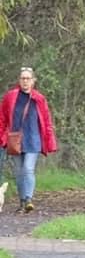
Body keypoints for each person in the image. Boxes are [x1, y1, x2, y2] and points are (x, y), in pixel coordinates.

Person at [0, 66, 58, 213]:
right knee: (19, 172)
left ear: (33, 81)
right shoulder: (10, 97)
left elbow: (46, 120)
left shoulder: (39, 98)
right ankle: (22, 202)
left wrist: (49, 140)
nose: (25, 81)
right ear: (19, 80)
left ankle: (28, 199)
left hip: (33, 139)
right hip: (15, 140)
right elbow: (3, 118)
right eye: (23, 78)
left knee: (28, 169)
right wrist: (2, 136)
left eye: (28, 78)